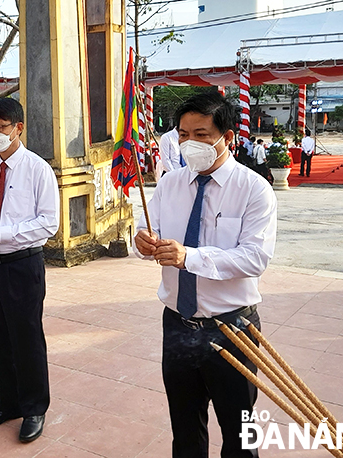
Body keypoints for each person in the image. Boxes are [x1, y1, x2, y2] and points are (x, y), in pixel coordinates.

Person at [134, 92, 277, 458]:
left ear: (227, 138)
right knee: (184, 427)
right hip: (178, 324)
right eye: (183, 135)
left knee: (239, 432)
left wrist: (189, 257)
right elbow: (147, 228)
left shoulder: (254, 189)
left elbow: (255, 257)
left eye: (201, 135)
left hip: (232, 329)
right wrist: (143, 240)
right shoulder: (170, 184)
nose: (189, 143)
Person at [0, 98, 59, 443]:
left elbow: (49, 223)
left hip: (22, 264)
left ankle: (34, 406)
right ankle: (8, 402)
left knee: (26, 338)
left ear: (18, 128)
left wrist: (4, 234)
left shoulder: (37, 169)